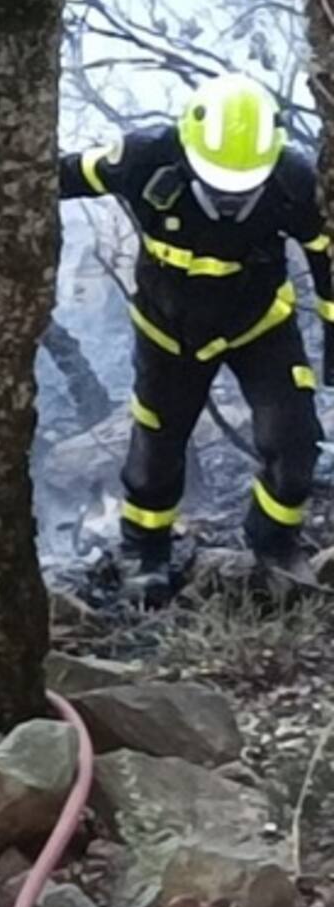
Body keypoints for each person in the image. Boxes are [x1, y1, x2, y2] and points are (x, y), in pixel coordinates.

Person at [59, 72, 333, 598]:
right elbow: (69, 173)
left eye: (244, 184)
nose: (229, 196)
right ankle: (144, 549)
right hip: (168, 331)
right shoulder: (143, 158)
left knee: (294, 439)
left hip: (259, 325)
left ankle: (275, 542)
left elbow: (326, 257)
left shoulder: (293, 180)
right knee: (158, 443)